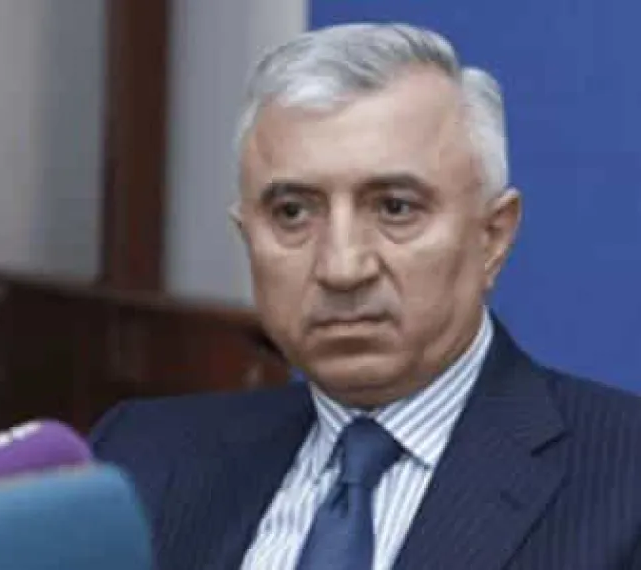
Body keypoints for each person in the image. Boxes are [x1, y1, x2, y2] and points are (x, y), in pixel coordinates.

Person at [90, 23, 641, 569]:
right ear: (247, 235)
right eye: (292, 213)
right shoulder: (141, 459)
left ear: (493, 236)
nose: (342, 267)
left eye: (396, 208)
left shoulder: (622, 480)